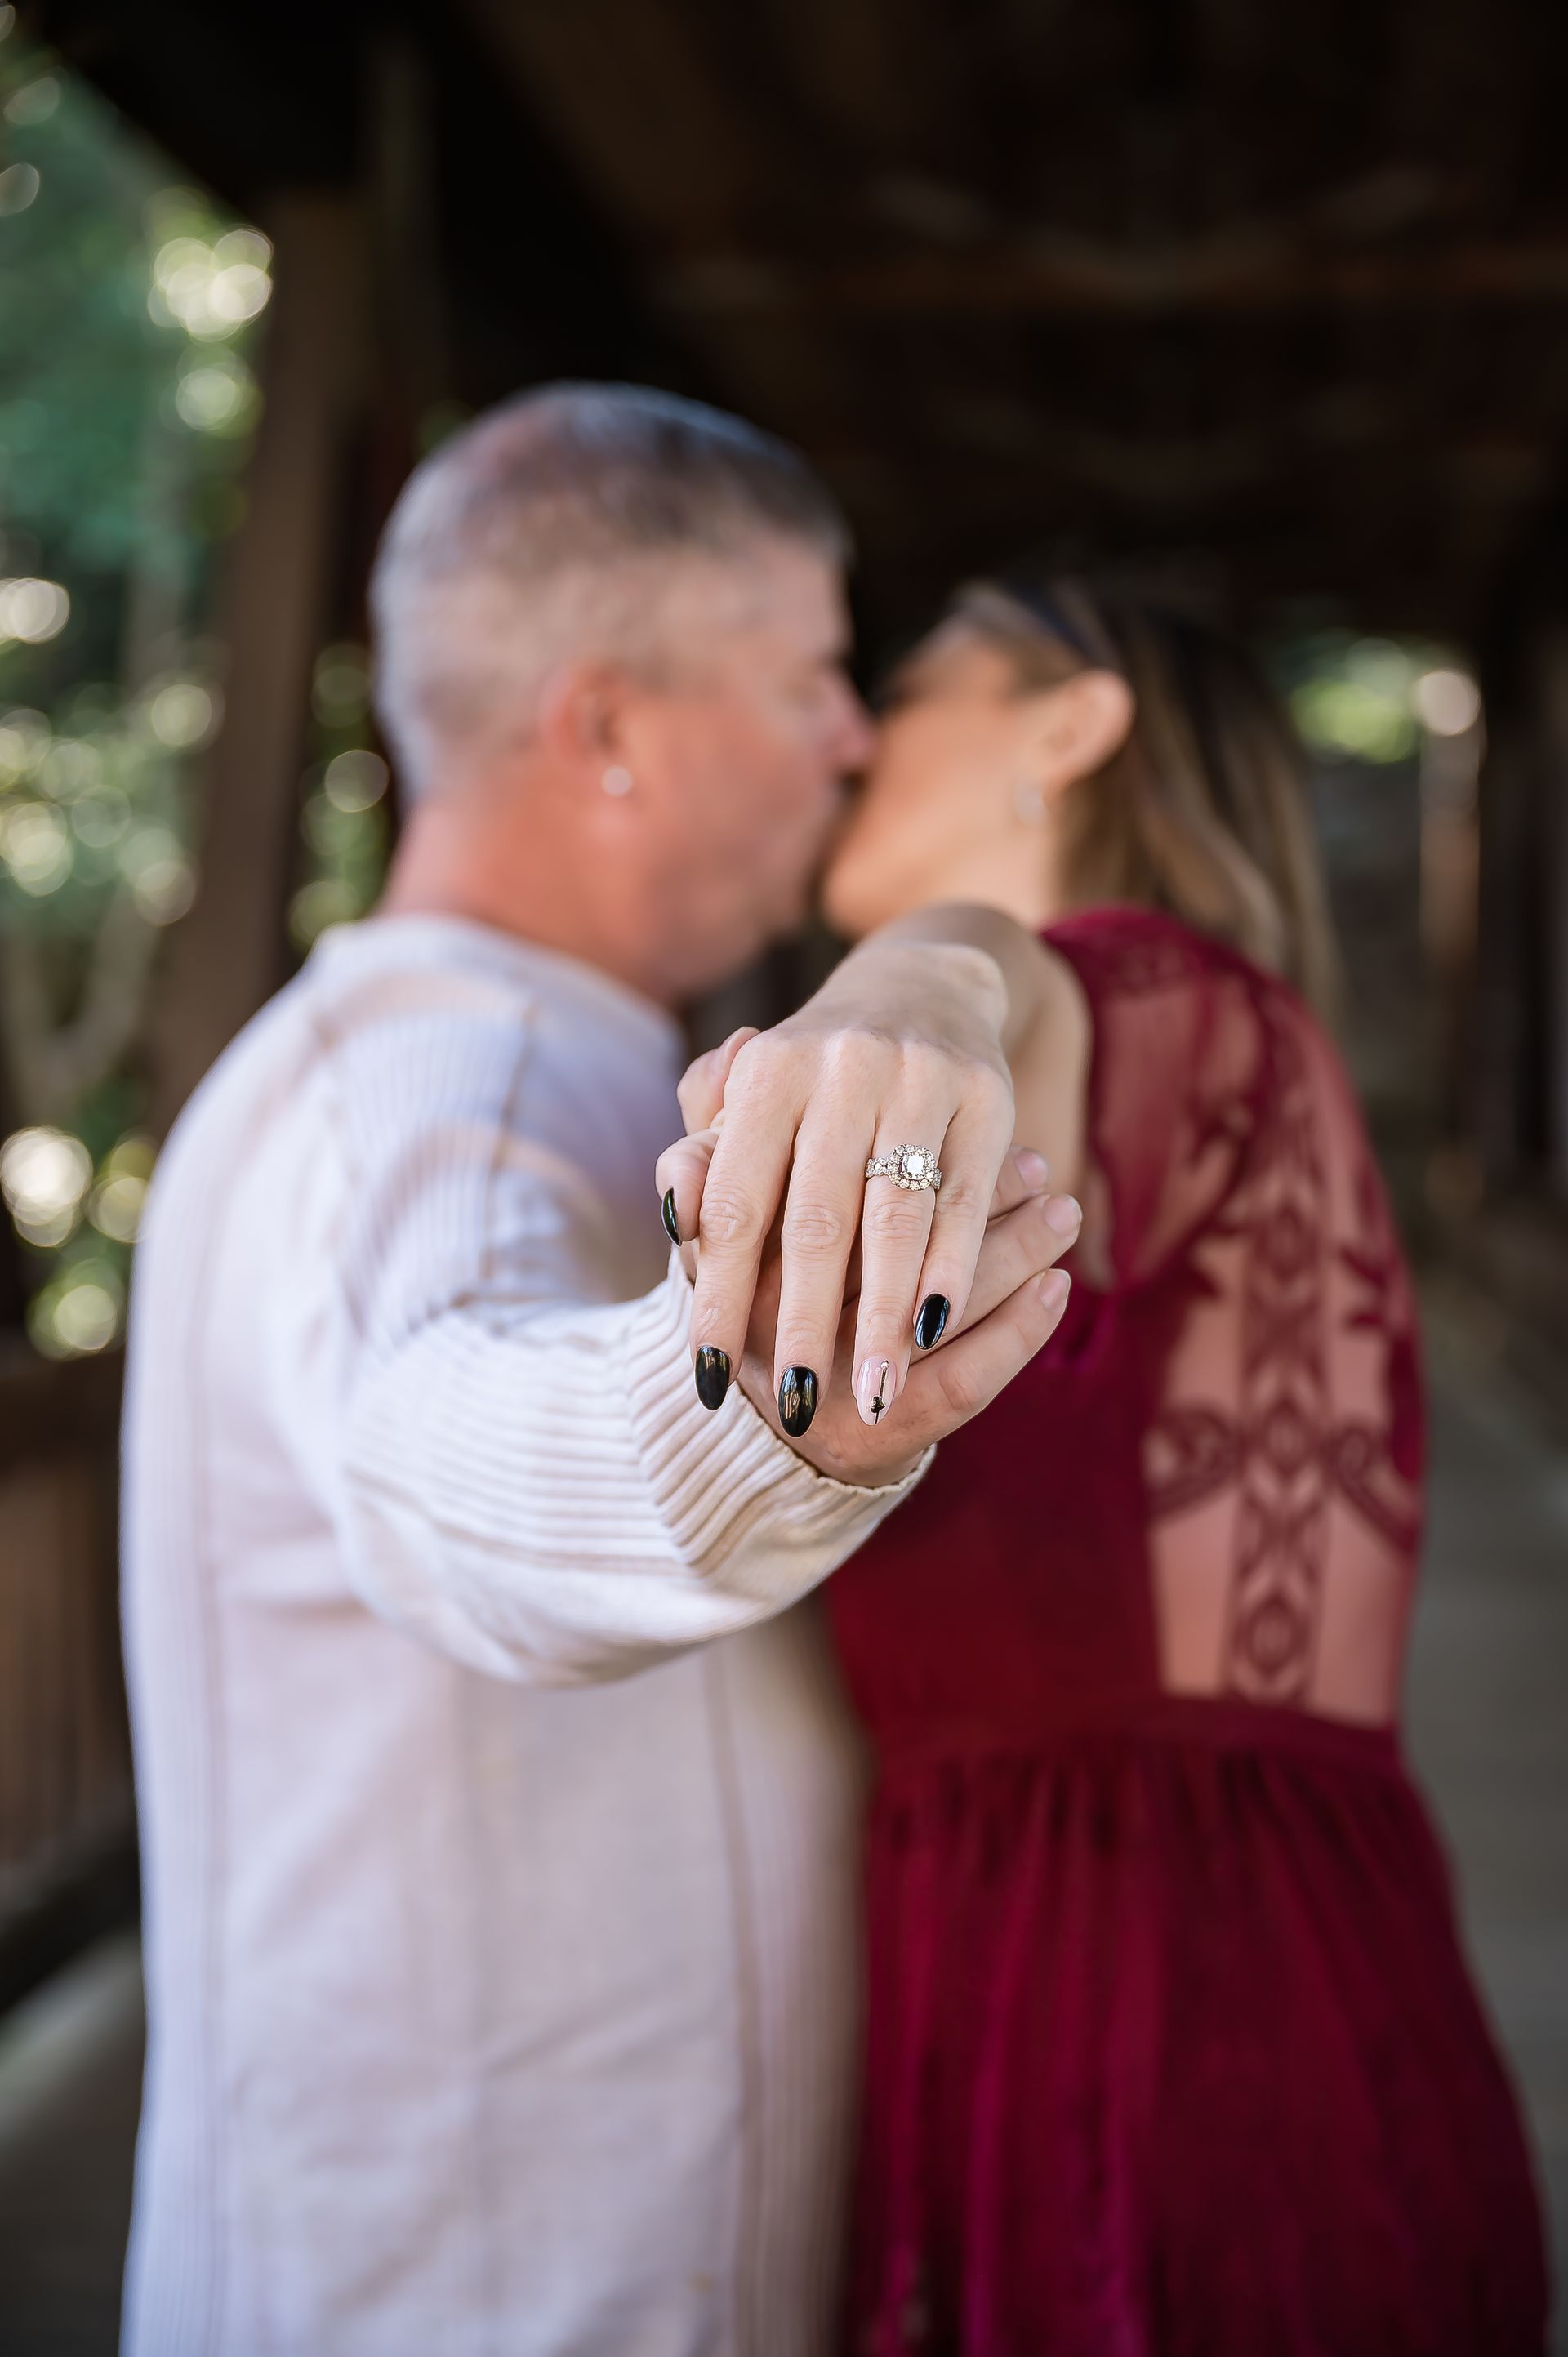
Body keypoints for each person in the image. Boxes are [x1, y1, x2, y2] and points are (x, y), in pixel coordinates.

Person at [118, 390, 1080, 2357]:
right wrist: (783, 1416)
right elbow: (447, 1458)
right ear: (607, 725)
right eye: (810, 673)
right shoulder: (419, 1086)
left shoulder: (575, 1060)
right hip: (459, 2291)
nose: (852, 735)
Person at [806, 576, 1547, 2352]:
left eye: (904, 685)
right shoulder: (1237, 1035)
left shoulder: (1104, 993)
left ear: (1064, 729)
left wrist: (920, 969)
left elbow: (991, 985)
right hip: (1292, 1963)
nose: (851, 735)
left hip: (1130, 2018)